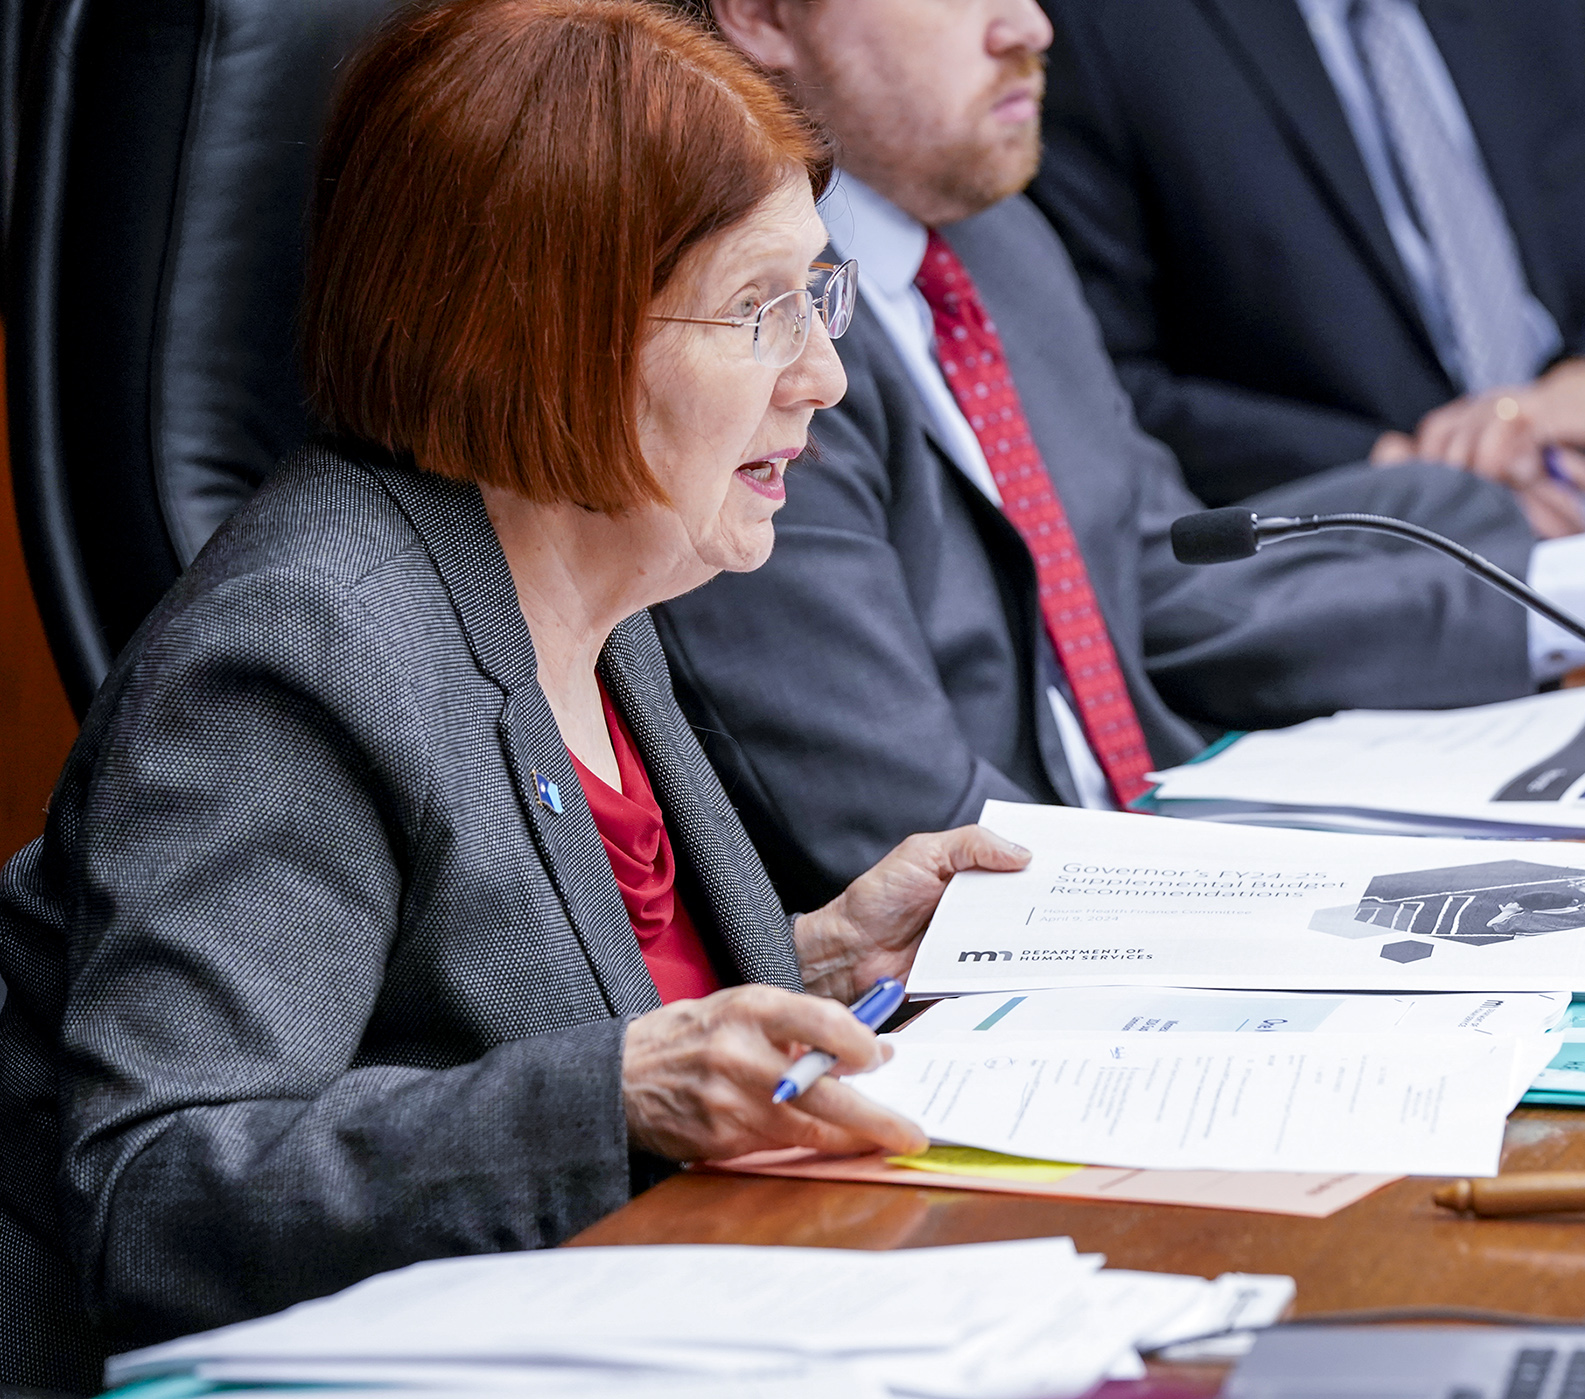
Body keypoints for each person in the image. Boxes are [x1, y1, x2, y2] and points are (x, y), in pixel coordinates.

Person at [0, 4, 1027, 1389]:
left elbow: (498, 988)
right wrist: (610, 1096)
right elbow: (157, 1188)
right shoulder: (300, 650)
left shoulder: (597, 585)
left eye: (820, 296)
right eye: (756, 310)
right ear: (549, 330)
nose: (825, 376)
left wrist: (813, 957)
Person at [658, 0, 1585, 912]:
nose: (1029, 23)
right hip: (1011, 972)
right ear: (764, 18)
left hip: (1158, 877)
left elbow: (1174, 583)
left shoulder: (1001, 254)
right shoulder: (763, 342)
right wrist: (1285, 900)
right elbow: (910, 834)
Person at [1029, 0, 1585, 528]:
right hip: (1375, 552)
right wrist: (1406, 471)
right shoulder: (1103, 32)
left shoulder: (1530, 17)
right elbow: (1104, 390)